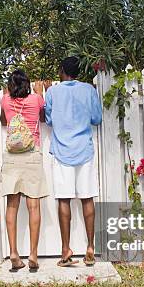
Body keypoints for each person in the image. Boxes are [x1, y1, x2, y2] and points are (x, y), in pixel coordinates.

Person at [44, 56, 102, 267]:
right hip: (84, 151)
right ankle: (90, 247)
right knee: (87, 198)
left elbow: (49, 120)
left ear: (62, 71)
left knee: (64, 200)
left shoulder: (52, 92)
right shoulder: (88, 90)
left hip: (62, 153)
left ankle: (65, 250)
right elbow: (97, 119)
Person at [0, 69, 49, 273]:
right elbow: (44, 119)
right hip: (31, 154)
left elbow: (4, 121)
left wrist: (7, 97)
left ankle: (13, 253)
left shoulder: (5, 100)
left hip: (11, 156)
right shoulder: (36, 99)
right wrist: (41, 94)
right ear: (27, 84)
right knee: (33, 206)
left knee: (12, 205)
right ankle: (33, 255)